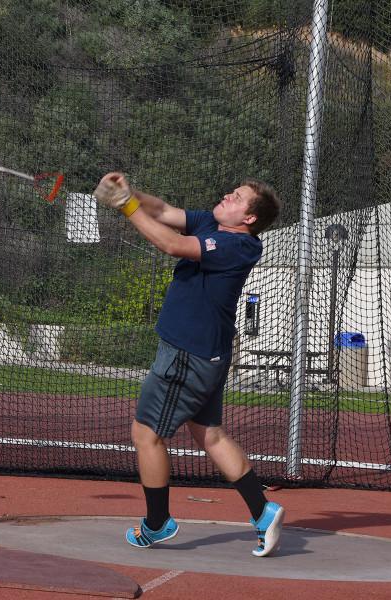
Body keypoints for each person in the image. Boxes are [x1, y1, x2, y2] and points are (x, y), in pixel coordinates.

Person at [93, 172, 284, 557]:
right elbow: (162, 210)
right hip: (204, 354)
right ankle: (263, 512)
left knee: (147, 434)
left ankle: (158, 522)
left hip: (188, 355)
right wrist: (130, 192)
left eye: (237, 197)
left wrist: (125, 205)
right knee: (209, 434)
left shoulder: (237, 245)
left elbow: (171, 244)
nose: (227, 196)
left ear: (248, 219)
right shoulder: (211, 222)